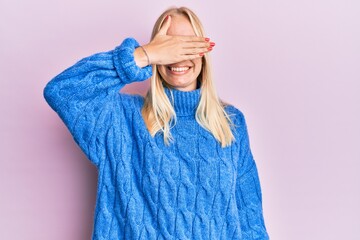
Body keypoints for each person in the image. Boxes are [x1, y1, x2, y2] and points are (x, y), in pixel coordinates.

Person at [43, 6, 269, 240]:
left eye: (187, 45)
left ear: (203, 51)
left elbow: (250, 220)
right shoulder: (121, 119)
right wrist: (143, 55)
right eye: (169, 46)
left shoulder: (231, 123)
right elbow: (61, 91)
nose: (178, 55)